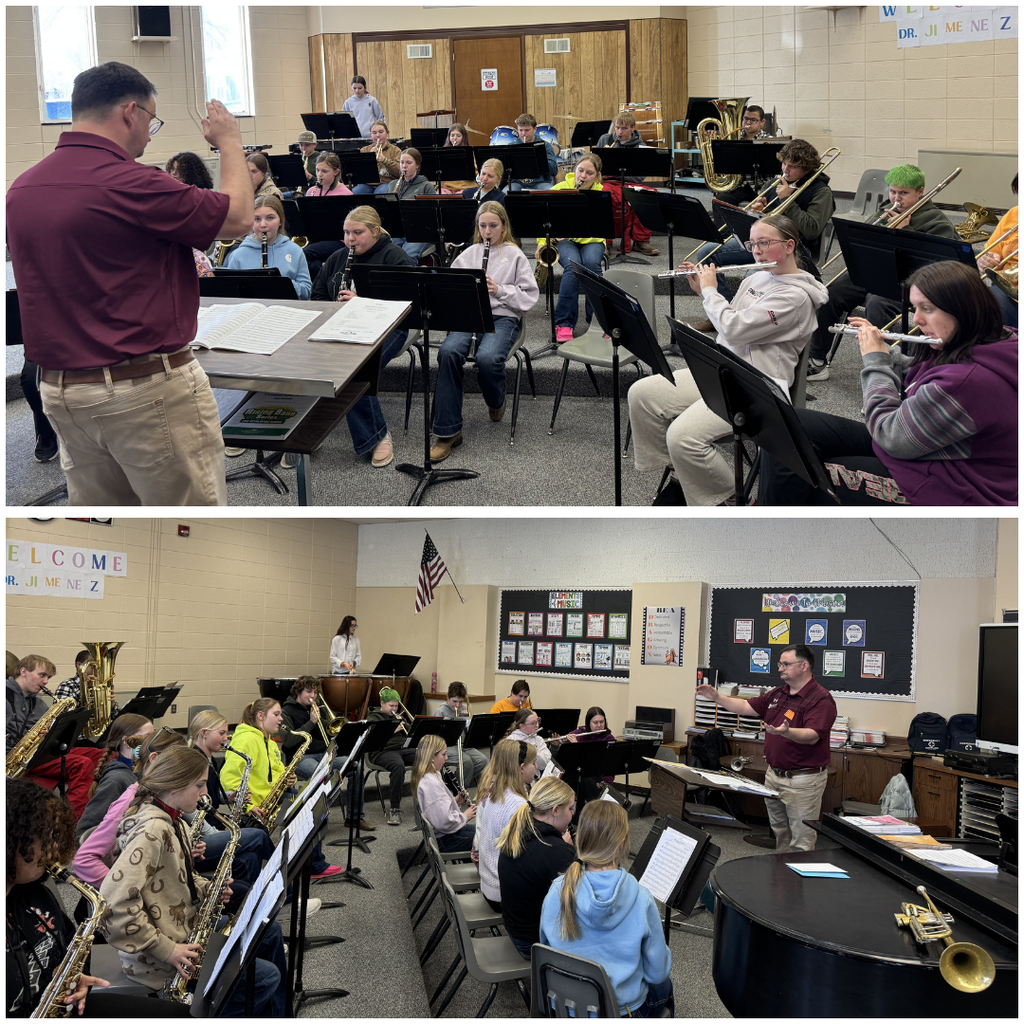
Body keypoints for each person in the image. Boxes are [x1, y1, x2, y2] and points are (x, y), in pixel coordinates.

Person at [6, 62, 252, 506]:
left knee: (112, 526)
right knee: (189, 527)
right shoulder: (135, 183)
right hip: (143, 391)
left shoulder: (22, 189)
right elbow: (236, 217)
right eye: (152, 121)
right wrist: (230, 142)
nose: (149, 134)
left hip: (62, 393)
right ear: (131, 112)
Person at [759, 260, 1018, 506]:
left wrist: (876, 362)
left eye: (927, 309)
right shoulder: (997, 340)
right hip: (934, 449)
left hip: (953, 483)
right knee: (787, 426)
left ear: (963, 309)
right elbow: (930, 374)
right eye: (915, 308)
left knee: (807, 474)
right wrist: (887, 353)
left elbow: (889, 435)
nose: (916, 320)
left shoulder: (968, 382)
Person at [628, 214, 827, 506]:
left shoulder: (795, 298)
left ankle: (733, 500)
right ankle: (683, 470)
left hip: (757, 386)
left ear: (789, 245)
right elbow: (730, 318)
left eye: (764, 243)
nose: (756, 250)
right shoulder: (759, 275)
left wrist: (711, 290)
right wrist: (702, 290)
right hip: (723, 369)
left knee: (682, 437)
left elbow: (734, 329)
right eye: (752, 243)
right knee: (642, 394)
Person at [100, 746, 288, 1014]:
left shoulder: (172, 819)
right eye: (199, 785)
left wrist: (205, 887)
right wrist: (167, 950)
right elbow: (110, 906)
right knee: (265, 977)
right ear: (175, 784)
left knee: (268, 934)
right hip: (161, 960)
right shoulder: (153, 830)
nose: (205, 793)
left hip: (182, 928)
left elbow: (174, 880)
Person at [7, 777, 191, 1017]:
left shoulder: (37, 897)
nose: (52, 847)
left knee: (177, 1014)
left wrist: (75, 982)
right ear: (10, 838)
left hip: (63, 1006)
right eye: (41, 836)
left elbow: (69, 953)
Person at [806, 163, 958, 380]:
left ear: (921, 192)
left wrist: (906, 230)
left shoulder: (936, 220)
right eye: (893, 191)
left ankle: (886, 373)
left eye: (904, 193)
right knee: (831, 292)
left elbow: (936, 264)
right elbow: (862, 241)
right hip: (876, 271)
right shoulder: (886, 210)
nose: (897, 198)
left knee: (877, 302)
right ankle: (817, 359)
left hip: (912, 282)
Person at [539, 800, 674, 1017]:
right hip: (623, 1012)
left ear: (580, 838)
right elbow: (657, 973)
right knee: (665, 988)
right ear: (622, 843)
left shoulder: (558, 891)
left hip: (564, 1008)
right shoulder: (642, 898)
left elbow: (545, 951)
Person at [430, 201, 539, 461]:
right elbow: (451, 287)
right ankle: (448, 431)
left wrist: (499, 289)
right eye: (483, 226)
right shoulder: (470, 253)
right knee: (448, 352)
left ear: (504, 226)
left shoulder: (515, 254)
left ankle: (496, 400)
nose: (488, 231)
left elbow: (530, 295)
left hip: (503, 316)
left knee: (488, 358)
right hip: (470, 315)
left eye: (493, 226)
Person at [701, 645, 838, 852]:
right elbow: (746, 707)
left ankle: (797, 882)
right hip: (773, 776)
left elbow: (812, 736)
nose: (780, 668)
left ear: (804, 666)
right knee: (780, 833)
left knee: (801, 840)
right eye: (779, 664)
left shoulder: (821, 699)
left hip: (802, 780)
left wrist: (786, 732)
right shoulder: (778, 694)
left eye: (786, 664)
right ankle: (782, 879)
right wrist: (717, 697)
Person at [310, 207, 414, 469]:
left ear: (375, 231)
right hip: (339, 328)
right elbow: (318, 297)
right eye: (346, 233)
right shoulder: (337, 258)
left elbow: (405, 306)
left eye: (358, 233)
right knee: (306, 360)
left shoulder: (395, 258)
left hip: (389, 328)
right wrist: (333, 311)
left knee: (356, 370)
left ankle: (377, 435)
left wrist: (362, 303)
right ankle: (309, 431)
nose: (350, 239)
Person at [690, 138, 835, 317]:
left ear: (807, 168)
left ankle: (743, 321)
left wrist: (788, 201)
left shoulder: (821, 191)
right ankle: (725, 312)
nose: (785, 170)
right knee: (707, 253)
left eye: (793, 167)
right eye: (784, 163)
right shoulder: (774, 184)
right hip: (763, 243)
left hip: (794, 249)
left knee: (755, 273)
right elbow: (765, 222)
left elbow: (812, 229)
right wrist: (759, 213)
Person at [220, 697, 343, 880]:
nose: (280, 719)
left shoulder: (268, 741)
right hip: (258, 806)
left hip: (275, 796)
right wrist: (247, 806)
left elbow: (274, 770)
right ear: (261, 716)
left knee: (315, 807)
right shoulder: (246, 739)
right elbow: (228, 777)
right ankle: (312, 866)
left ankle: (305, 863)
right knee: (309, 811)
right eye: (276, 714)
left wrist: (287, 777)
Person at [496, 775, 576, 959]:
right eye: (570, 808)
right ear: (555, 810)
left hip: (515, 929)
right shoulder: (557, 852)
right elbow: (572, 908)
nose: (572, 814)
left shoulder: (519, 828)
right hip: (532, 943)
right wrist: (572, 856)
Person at [281, 676, 371, 831]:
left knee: (356, 766)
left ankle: (354, 818)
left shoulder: (316, 708)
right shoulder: (285, 712)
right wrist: (311, 722)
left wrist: (330, 725)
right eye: (309, 692)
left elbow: (329, 732)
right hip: (300, 758)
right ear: (297, 691)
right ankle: (316, 822)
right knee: (321, 774)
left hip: (323, 754)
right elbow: (289, 741)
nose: (313, 696)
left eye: (315, 692)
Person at [545, 154, 607, 342]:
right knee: (572, 267)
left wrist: (570, 233)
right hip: (564, 241)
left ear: (596, 176)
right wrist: (544, 244)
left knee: (592, 267)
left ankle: (600, 321)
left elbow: (599, 230)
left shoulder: (601, 195)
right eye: (580, 170)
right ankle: (564, 323)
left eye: (589, 173)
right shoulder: (559, 189)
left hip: (593, 240)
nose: (583, 176)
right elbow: (545, 221)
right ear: (574, 170)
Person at [472, 738, 537, 909]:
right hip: (501, 894)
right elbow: (526, 854)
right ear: (522, 768)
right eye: (534, 763)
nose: (536, 767)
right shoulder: (517, 804)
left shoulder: (496, 792)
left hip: (488, 884)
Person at [75, 716, 155, 837]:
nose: (153, 742)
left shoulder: (141, 771)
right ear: (127, 742)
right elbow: (85, 831)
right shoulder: (116, 780)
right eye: (147, 737)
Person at [595, 112, 659, 256]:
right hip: (607, 181)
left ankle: (641, 241)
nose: (619, 132)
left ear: (633, 128)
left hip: (628, 181)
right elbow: (593, 166)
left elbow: (640, 177)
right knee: (602, 196)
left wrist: (618, 171)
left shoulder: (640, 146)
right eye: (617, 128)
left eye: (624, 128)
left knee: (649, 195)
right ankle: (603, 241)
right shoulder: (605, 139)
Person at [223, 195, 312, 298]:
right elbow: (230, 296)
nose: (263, 224)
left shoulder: (295, 250)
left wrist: (282, 282)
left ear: (280, 221)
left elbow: (307, 292)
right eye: (257, 219)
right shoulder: (238, 255)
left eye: (270, 218)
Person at [413, 734, 477, 852]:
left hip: (445, 834)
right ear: (432, 757)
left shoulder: (432, 775)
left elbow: (438, 809)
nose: (446, 758)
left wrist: (456, 800)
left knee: (483, 831)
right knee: (488, 839)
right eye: (443, 754)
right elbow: (444, 822)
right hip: (446, 839)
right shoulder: (431, 783)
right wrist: (465, 816)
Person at [366, 687, 417, 825]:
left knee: (426, 758)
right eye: (391, 706)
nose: (394, 709)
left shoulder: (397, 716)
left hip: (402, 749)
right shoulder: (373, 718)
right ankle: (394, 809)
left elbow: (410, 735)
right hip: (381, 752)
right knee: (398, 766)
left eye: (396, 705)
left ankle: (427, 801)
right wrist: (392, 731)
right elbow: (371, 740)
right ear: (382, 703)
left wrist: (406, 724)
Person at [712, 102, 772, 217]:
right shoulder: (734, 138)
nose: (748, 123)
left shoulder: (769, 140)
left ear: (762, 122)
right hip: (740, 185)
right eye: (746, 118)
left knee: (773, 204)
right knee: (719, 200)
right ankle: (724, 234)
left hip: (762, 185)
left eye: (753, 120)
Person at [301, 152, 355, 280]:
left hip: (338, 240)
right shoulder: (311, 191)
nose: (319, 175)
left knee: (305, 253)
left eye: (324, 171)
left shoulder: (345, 194)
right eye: (317, 170)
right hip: (317, 238)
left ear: (336, 172)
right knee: (313, 265)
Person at [977, 173, 1017, 329]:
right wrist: (987, 260)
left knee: (990, 309)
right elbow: (990, 253)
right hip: (1008, 290)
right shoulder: (1014, 214)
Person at [385, 147, 438, 260]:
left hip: (419, 232)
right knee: (391, 255)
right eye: (402, 162)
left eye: (409, 163)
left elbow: (432, 215)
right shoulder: (392, 185)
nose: (404, 166)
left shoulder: (426, 186)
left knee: (408, 257)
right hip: (398, 231)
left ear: (417, 165)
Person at [435, 681, 488, 787]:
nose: (457, 705)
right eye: (454, 701)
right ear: (447, 698)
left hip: (463, 744)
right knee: (466, 761)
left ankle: (454, 782)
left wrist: (469, 723)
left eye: (460, 702)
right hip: (447, 745)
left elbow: (469, 732)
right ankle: (460, 789)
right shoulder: (441, 711)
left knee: (482, 760)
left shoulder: (464, 709)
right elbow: (436, 736)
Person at [53, 649, 122, 723]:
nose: (98, 669)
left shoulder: (100, 687)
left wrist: (112, 706)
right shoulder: (67, 685)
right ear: (79, 665)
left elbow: (117, 718)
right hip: (78, 734)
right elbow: (60, 716)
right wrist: (83, 690)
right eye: (93, 665)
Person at [6, 654, 56, 753]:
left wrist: (46, 734)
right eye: (42, 675)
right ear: (23, 671)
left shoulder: (41, 705)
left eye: (48, 677)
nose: (46, 681)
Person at [508, 113, 558, 191]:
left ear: (535, 129)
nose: (523, 134)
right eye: (520, 130)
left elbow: (554, 171)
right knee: (504, 196)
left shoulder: (546, 146)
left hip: (541, 183)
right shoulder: (511, 146)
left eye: (527, 130)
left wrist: (537, 158)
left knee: (551, 194)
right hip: (517, 183)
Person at [355, 120, 401, 195]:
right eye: (374, 133)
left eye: (381, 132)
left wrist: (385, 160)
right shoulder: (364, 150)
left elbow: (399, 172)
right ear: (371, 135)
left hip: (387, 182)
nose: (378, 135)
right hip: (367, 184)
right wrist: (368, 158)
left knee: (379, 194)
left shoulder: (395, 150)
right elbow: (358, 173)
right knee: (355, 192)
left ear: (387, 133)